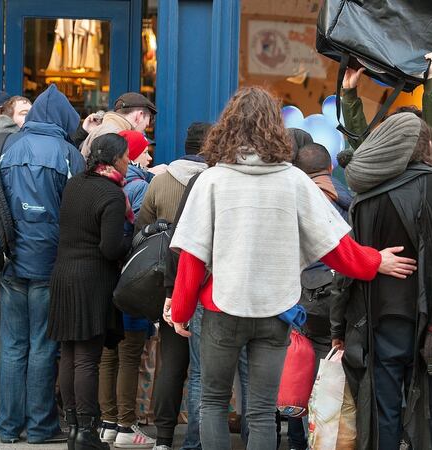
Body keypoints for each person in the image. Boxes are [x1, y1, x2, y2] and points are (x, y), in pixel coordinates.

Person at [167, 87, 415, 450]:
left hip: (221, 307)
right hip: (275, 311)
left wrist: (181, 310)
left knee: (214, 402)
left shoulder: (212, 181)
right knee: (263, 411)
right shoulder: (295, 181)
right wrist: (378, 260)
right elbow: (337, 249)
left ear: (227, 128)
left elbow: (192, 257)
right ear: (275, 128)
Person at [336, 113, 432, 450]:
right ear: (426, 146)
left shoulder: (367, 198)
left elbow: (348, 266)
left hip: (381, 318)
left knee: (385, 409)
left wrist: (337, 328)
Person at [0, 84, 85, 444]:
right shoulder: (67, 153)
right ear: (62, 118)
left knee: (13, 346)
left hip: (9, 260)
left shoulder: (6, 146)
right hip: (49, 263)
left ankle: (8, 425)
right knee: (44, 346)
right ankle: (41, 426)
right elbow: (76, 211)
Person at [47, 133, 132, 450]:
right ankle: (86, 433)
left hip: (63, 275)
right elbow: (110, 249)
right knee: (86, 360)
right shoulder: (111, 194)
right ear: (114, 159)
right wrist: (134, 239)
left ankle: (74, 429)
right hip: (90, 281)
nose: (129, 161)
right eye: (125, 156)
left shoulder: (75, 184)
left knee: (69, 354)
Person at [136, 121, 212, 450]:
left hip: (172, 281)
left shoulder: (161, 180)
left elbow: (142, 228)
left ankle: (165, 438)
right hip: (208, 285)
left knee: (173, 363)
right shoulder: (216, 182)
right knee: (206, 370)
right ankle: (203, 436)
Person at [285, 142, 350, 450]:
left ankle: (299, 441)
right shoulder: (348, 198)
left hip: (304, 299)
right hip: (338, 297)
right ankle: (327, 440)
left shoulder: (298, 198)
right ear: (331, 169)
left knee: (300, 373)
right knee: (333, 375)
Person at [96, 129, 156, 449]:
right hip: (130, 281)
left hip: (105, 280)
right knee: (130, 353)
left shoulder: (99, 183)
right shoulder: (140, 187)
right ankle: (125, 425)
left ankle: (107, 423)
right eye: (145, 151)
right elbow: (143, 236)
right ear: (128, 155)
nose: (149, 157)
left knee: (109, 354)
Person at [340, 50, 432, 150]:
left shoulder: (383, 166)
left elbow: (364, 148)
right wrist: (430, 77)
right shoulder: (429, 166)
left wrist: (349, 93)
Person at [81, 92, 157, 158]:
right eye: (145, 126)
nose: (143, 132)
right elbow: (109, 172)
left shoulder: (106, 130)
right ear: (139, 116)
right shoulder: (115, 135)